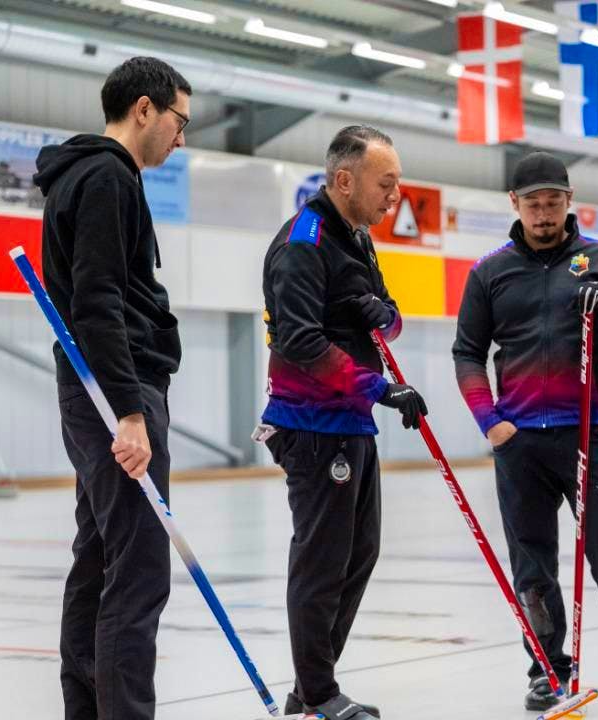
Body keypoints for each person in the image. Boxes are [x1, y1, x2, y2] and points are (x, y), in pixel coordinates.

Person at [451, 151, 598, 712]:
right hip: (519, 442)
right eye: (533, 204)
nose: (544, 214)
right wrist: (490, 422)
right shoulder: (489, 272)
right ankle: (547, 669)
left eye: (553, 202)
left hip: (590, 435)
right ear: (515, 204)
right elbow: (468, 353)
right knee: (531, 566)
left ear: (570, 201)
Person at [35, 56, 190, 720]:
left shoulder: (90, 176)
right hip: (112, 395)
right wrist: (129, 410)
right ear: (145, 109)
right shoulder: (107, 178)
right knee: (139, 567)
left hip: (96, 391)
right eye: (180, 120)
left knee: (100, 556)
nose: (181, 138)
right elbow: (98, 302)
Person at [257, 125, 427, 720]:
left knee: (359, 554)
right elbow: (301, 340)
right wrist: (379, 388)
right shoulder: (303, 243)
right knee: (322, 560)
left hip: (349, 423)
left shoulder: (357, 237)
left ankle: (311, 688)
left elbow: (388, 323)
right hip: (311, 425)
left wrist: (386, 316)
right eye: (386, 184)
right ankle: (319, 694)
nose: (395, 197)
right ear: (345, 180)